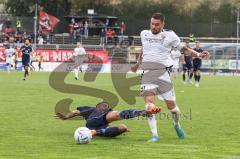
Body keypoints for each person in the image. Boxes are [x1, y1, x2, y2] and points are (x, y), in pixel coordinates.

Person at [131, 13, 208, 142]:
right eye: (152, 24)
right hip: (147, 73)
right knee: (149, 104)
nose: (153, 27)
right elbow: (144, 49)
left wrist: (198, 54)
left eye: (157, 24)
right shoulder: (144, 33)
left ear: (162, 24)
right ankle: (154, 135)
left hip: (163, 75)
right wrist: (137, 64)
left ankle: (176, 124)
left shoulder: (170, 36)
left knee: (173, 108)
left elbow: (184, 49)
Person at [55, 102, 161, 138]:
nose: (105, 105)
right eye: (103, 105)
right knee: (117, 115)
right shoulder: (92, 109)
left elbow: (75, 112)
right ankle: (143, 112)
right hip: (96, 122)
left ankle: (94, 133)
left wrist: (66, 117)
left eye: (106, 106)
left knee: (123, 127)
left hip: (100, 127)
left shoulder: (106, 112)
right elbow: (76, 112)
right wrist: (66, 117)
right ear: (98, 106)